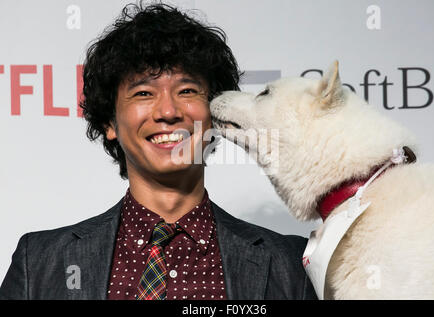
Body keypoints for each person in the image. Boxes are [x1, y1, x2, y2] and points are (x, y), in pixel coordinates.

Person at [0, 2, 316, 300]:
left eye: (187, 90)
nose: (167, 111)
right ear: (110, 122)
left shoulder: (290, 265)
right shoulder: (39, 262)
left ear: (216, 115)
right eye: (143, 93)